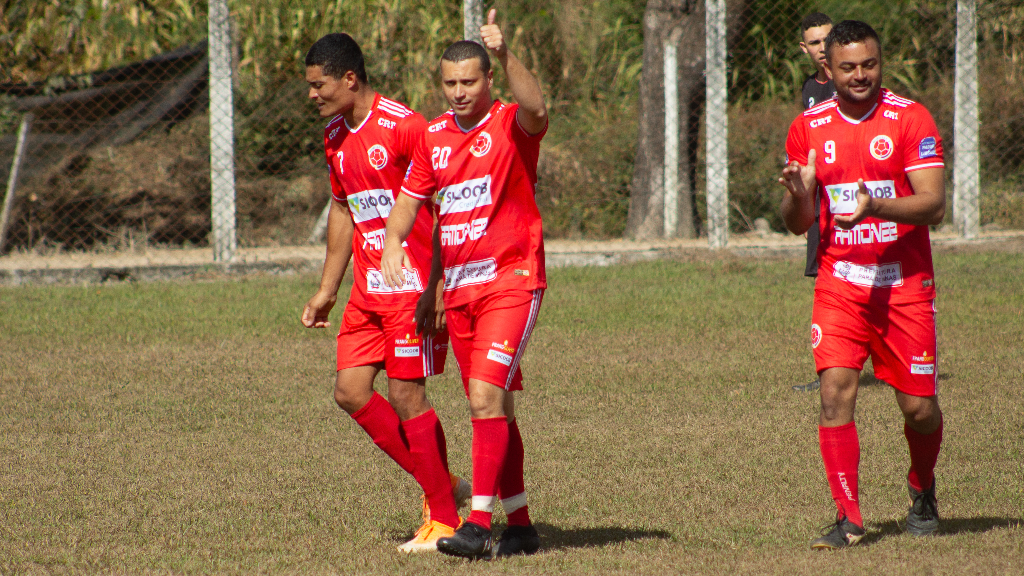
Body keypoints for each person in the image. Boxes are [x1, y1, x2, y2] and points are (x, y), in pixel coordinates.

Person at [380, 9, 546, 560]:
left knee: (482, 398)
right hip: (459, 294)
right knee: (497, 406)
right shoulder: (432, 138)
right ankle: (520, 526)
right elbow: (410, 204)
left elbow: (537, 107)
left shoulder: (508, 124)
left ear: (488, 80)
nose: (457, 92)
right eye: (449, 83)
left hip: (513, 281)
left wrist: (504, 52)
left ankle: (475, 525)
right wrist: (395, 242)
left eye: (468, 81)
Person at [299, 32, 469, 553]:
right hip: (367, 291)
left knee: (405, 393)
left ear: (349, 78)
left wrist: (441, 281)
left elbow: (448, 204)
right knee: (350, 392)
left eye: (319, 84)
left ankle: (443, 518)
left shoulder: (405, 126)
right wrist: (328, 288)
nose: (313, 94)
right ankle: (445, 489)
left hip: (412, 283)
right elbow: (343, 208)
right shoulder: (334, 132)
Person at [779, 20, 946, 550]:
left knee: (918, 408)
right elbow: (796, 222)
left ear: (880, 62)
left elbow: (933, 204)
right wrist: (799, 194)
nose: (860, 76)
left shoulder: (910, 118)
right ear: (828, 66)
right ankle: (848, 518)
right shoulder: (809, 126)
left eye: (868, 65)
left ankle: (921, 485)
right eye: (848, 67)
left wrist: (876, 205)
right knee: (834, 395)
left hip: (904, 285)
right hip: (840, 285)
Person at [792, 12, 835, 393]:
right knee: (826, 283)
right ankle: (829, 371)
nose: (823, 48)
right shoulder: (809, 88)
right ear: (804, 48)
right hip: (820, 202)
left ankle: (907, 362)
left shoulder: (854, 84)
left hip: (854, 201)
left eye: (828, 39)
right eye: (816, 43)